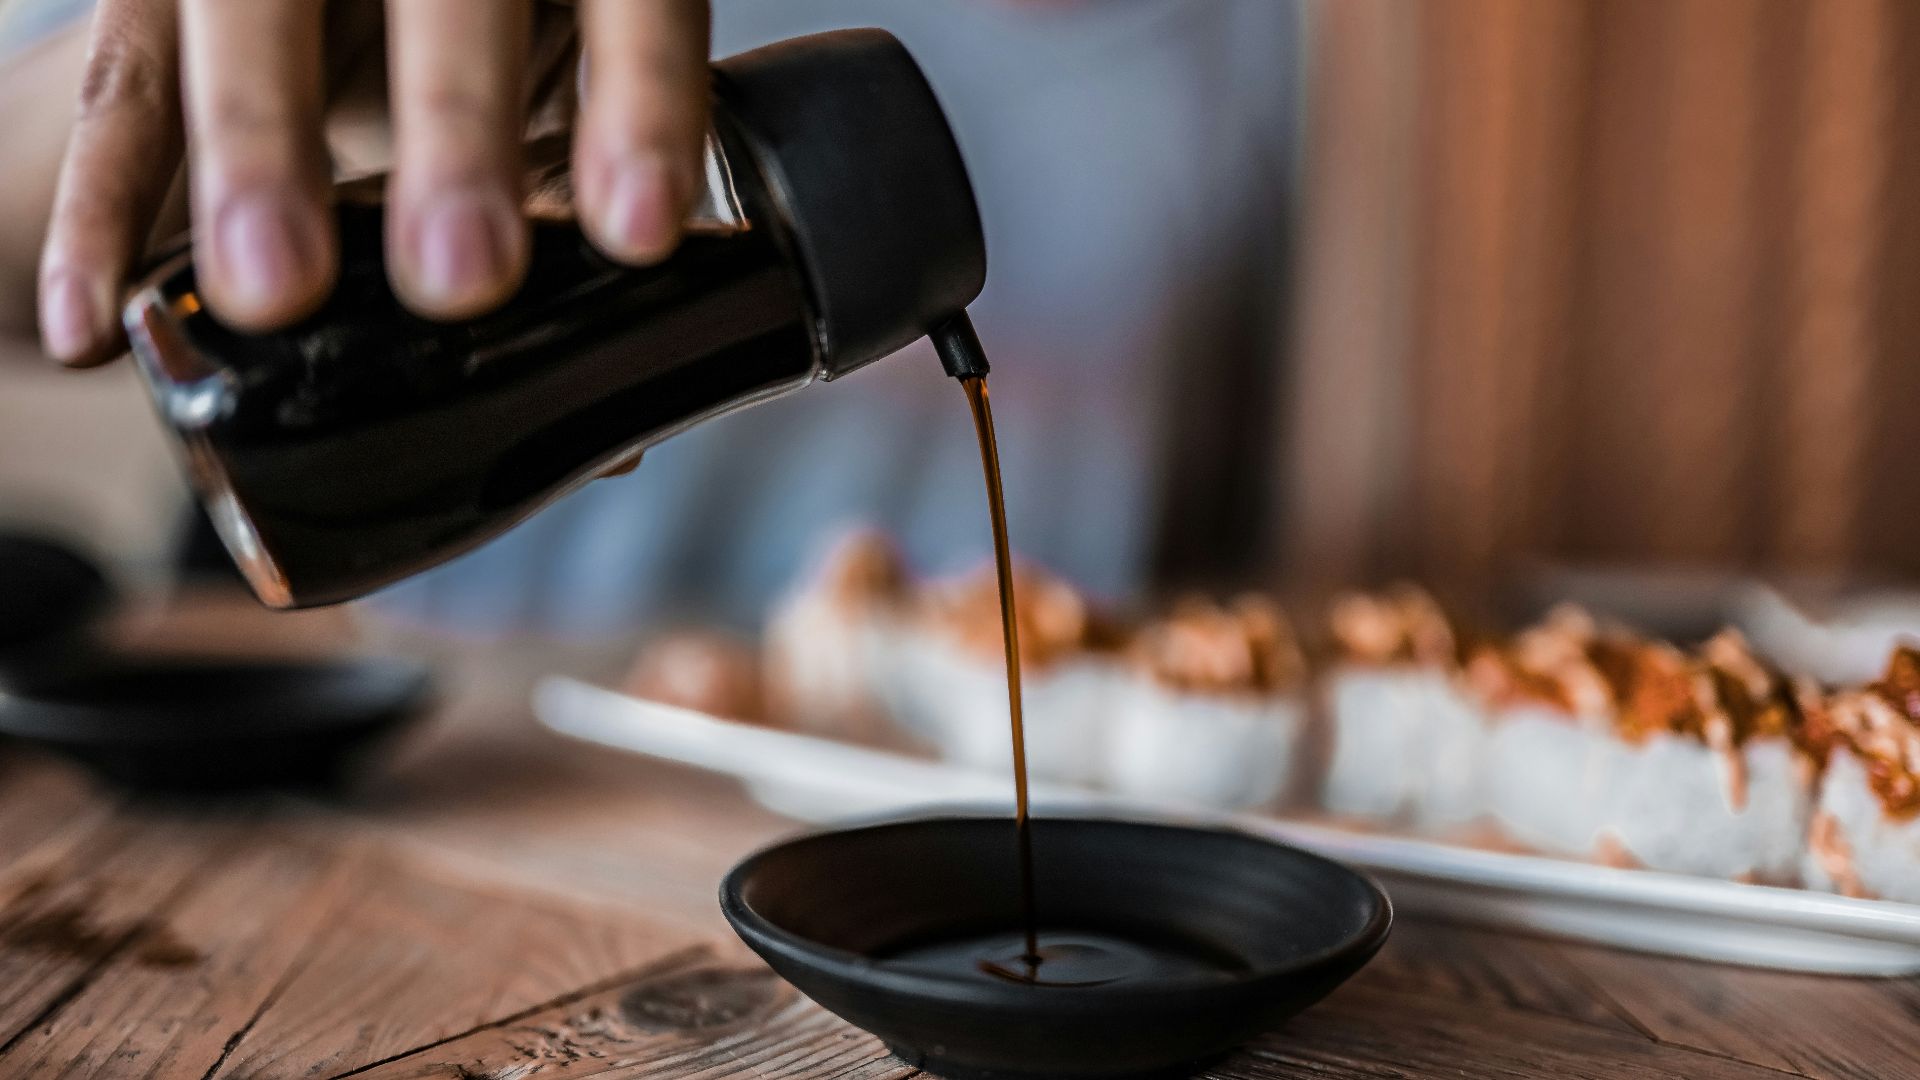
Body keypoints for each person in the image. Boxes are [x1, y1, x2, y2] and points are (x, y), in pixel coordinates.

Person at [0, 0, 1299, 633]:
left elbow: (1258, 492)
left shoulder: (1277, 43)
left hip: (983, 795)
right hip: (462, 756)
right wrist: (159, 154)